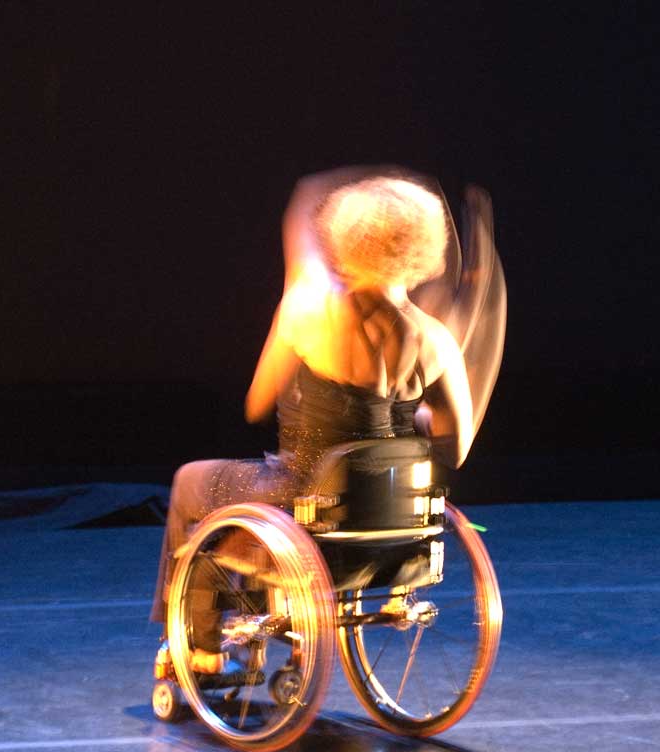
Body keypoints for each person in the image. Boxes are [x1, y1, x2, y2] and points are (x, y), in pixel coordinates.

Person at [151, 170, 495, 674]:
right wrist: (409, 413)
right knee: (264, 498)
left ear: (347, 237)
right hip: (387, 519)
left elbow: (255, 403)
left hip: (302, 497)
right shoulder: (439, 341)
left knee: (190, 482)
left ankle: (199, 648)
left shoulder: (308, 312)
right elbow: (455, 450)